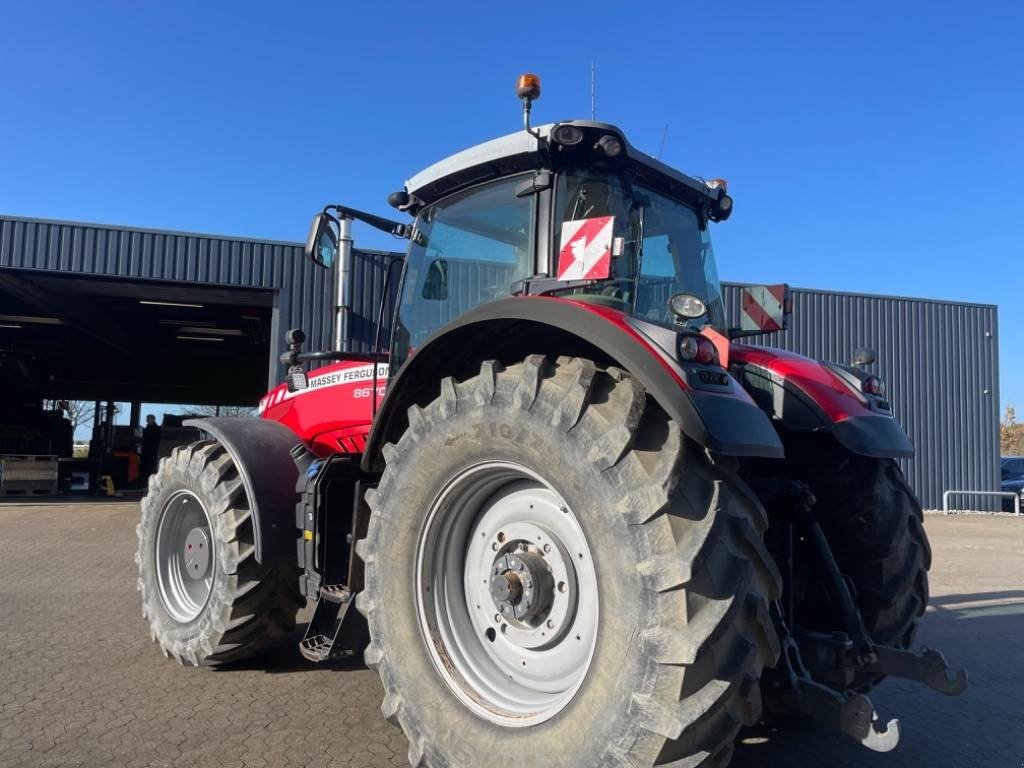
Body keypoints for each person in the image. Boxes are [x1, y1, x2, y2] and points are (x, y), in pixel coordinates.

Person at [140, 415, 162, 486]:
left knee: (150, 467)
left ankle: (150, 483)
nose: (147, 421)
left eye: (148, 419)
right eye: (147, 419)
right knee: (145, 467)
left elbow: (154, 440)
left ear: (153, 419)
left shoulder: (157, 429)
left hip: (152, 451)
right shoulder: (146, 429)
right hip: (146, 451)